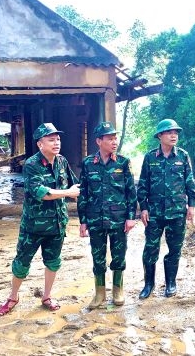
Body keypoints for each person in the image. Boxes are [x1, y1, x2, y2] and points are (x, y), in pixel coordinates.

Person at [0, 123, 80, 315]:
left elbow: (75, 184)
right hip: (33, 227)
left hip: (57, 224)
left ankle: (47, 296)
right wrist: (68, 192)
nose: (56, 142)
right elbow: (41, 193)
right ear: (40, 144)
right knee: (21, 263)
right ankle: (13, 296)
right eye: (51, 140)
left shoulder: (62, 162)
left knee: (53, 262)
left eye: (58, 139)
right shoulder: (32, 165)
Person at [77, 121, 138, 309]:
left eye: (115, 138)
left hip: (118, 218)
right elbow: (83, 193)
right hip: (95, 218)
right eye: (110, 138)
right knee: (98, 256)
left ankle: (118, 289)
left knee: (119, 255)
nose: (114, 141)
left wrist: (131, 217)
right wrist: (83, 221)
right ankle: (99, 292)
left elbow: (130, 191)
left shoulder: (123, 162)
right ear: (98, 141)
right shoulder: (88, 164)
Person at [137, 119, 195, 299]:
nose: (174, 135)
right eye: (169, 132)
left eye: (176, 133)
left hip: (177, 212)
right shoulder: (150, 158)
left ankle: (171, 283)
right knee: (150, 249)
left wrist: (191, 206)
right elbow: (142, 185)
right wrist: (144, 208)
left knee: (174, 250)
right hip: (154, 214)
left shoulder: (183, 156)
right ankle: (149, 284)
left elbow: (190, 183)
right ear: (160, 136)